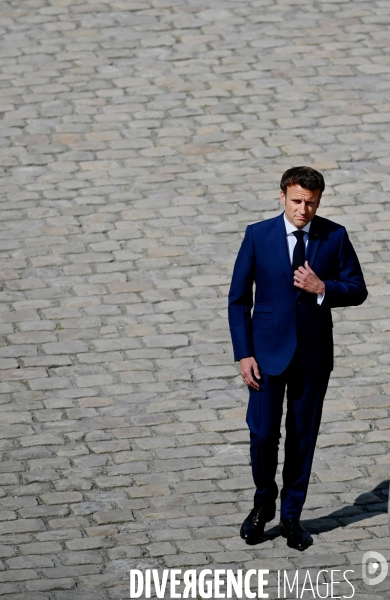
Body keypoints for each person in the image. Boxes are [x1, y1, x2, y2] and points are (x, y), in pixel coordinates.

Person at [228, 166, 368, 551]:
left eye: (311, 202)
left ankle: (291, 516)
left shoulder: (334, 236)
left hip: (313, 356)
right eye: (296, 201)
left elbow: (358, 289)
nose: (303, 210)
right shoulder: (258, 235)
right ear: (282, 197)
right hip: (266, 355)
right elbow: (239, 299)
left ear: (319, 200)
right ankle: (263, 505)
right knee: (262, 435)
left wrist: (324, 287)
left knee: (302, 438)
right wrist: (244, 354)